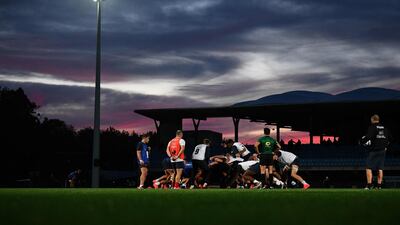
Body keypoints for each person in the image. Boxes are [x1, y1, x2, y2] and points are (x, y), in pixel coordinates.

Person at [361, 114, 391, 189]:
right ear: (378, 119)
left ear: (372, 120)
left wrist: (361, 141)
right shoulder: (385, 128)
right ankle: (379, 186)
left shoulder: (372, 127)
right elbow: (390, 138)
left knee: (368, 167)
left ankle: (369, 185)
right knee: (380, 168)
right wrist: (386, 146)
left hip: (374, 150)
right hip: (383, 151)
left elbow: (368, 137)